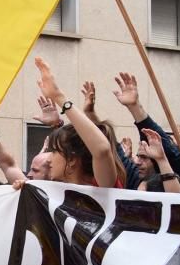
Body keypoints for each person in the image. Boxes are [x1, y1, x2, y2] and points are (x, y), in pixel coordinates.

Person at [34, 58, 121, 189]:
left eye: (54, 151)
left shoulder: (102, 187)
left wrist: (58, 97)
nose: (48, 159)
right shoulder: (56, 192)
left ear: (72, 160)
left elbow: (102, 149)